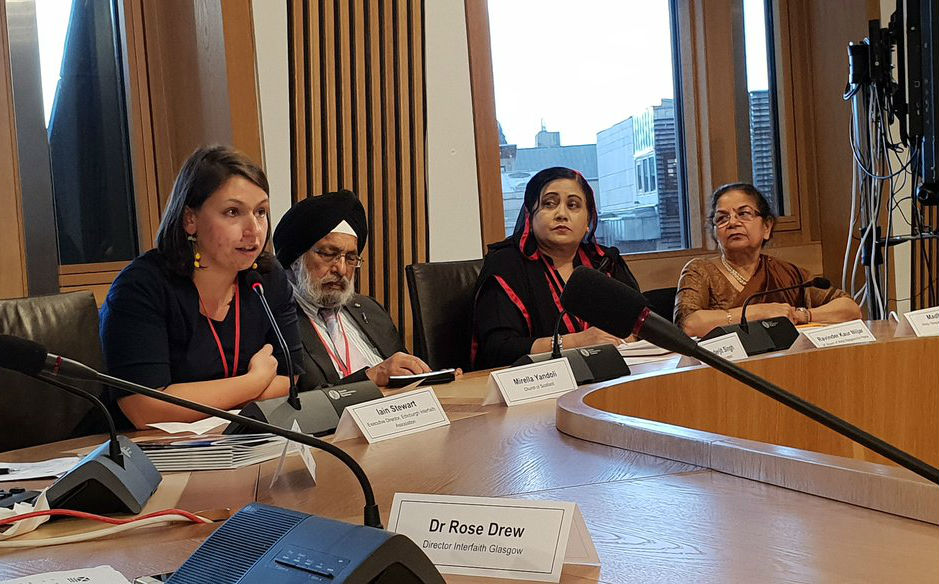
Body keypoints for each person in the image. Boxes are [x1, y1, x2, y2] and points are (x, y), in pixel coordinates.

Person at [99, 145, 304, 429]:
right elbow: (144, 407)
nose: (254, 230)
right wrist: (253, 382)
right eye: (233, 212)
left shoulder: (266, 277)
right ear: (190, 220)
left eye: (260, 212)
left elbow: (289, 376)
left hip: (238, 439)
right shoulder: (141, 287)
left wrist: (211, 403)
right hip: (152, 454)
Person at [472, 167, 640, 369]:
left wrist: (630, 336)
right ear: (530, 216)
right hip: (535, 384)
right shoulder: (506, 266)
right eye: (549, 204)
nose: (561, 214)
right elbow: (498, 349)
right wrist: (575, 342)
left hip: (611, 376)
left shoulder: (604, 261)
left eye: (573, 205)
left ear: (588, 220)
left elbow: (639, 324)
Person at [273, 190, 432, 388]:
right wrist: (370, 378)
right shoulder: (275, 321)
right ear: (295, 259)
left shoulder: (369, 309)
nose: (341, 269)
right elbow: (299, 405)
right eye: (329, 254)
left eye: (350, 258)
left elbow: (406, 378)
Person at [675, 182, 860, 337]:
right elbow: (689, 324)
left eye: (743, 214)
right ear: (715, 233)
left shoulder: (787, 274)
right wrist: (759, 313)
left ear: (767, 227)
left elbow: (850, 309)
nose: (732, 223)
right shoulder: (700, 270)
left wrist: (801, 315)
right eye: (722, 218)